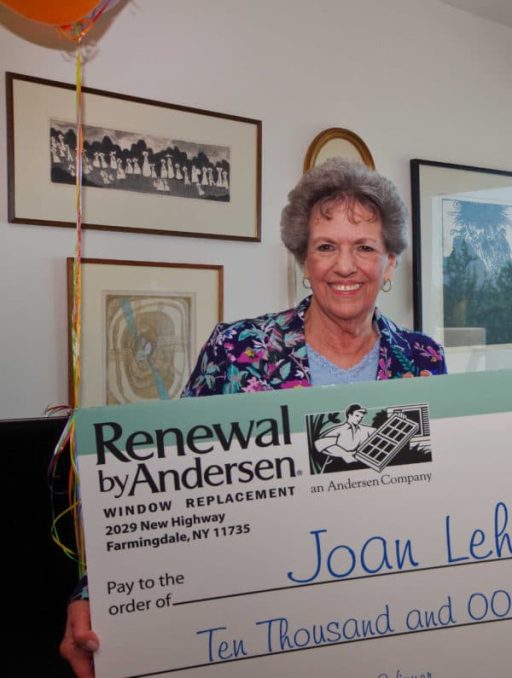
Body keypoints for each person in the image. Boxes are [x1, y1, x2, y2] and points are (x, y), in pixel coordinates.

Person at [60, 159, 447, 677]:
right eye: (325, 247)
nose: (345, 266)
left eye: (364, 247)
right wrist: (95, 592)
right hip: (260, 616)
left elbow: (441, 495)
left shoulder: (422, 360)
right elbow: (167, 484)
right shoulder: (238, 350)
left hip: (386, 608)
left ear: (391, 262)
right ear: (303, 260)